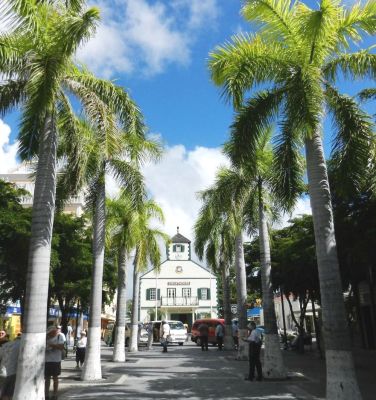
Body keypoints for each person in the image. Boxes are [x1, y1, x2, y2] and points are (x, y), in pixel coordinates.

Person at [45, 325, 66, 400]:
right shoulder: (45, 337)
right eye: (49, 333)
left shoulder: (59, 337)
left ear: (54, 332)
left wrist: (51, 345)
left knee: (55, 378)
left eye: (51, 332)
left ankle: (55, 394)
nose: (49, 334)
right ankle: (46, 394)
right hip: (46, 360)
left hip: (55, 360)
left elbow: (61, 347)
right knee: (47, 378)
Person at [0, 335, 21, 400]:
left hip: (2, 371)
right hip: (13, 373)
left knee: (2, 392)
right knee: (9, 394)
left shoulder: (5, 345)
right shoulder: (21, 345)